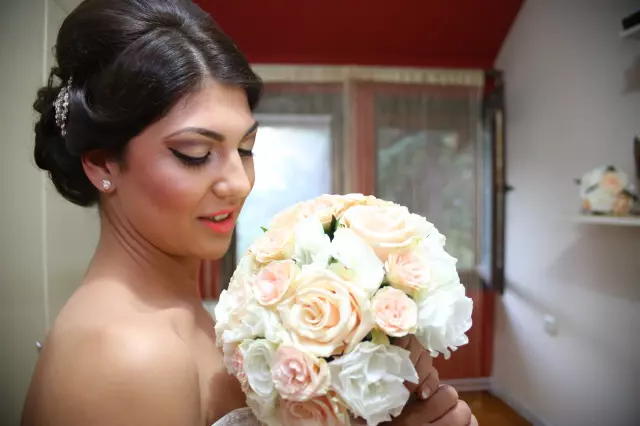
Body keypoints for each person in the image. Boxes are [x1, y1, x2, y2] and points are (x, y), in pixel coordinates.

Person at [21, 1, 477, 425]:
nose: (239, 183)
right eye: (195, 153)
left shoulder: (176, 310)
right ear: (103, 164)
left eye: (245, 148)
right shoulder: (128, 356)